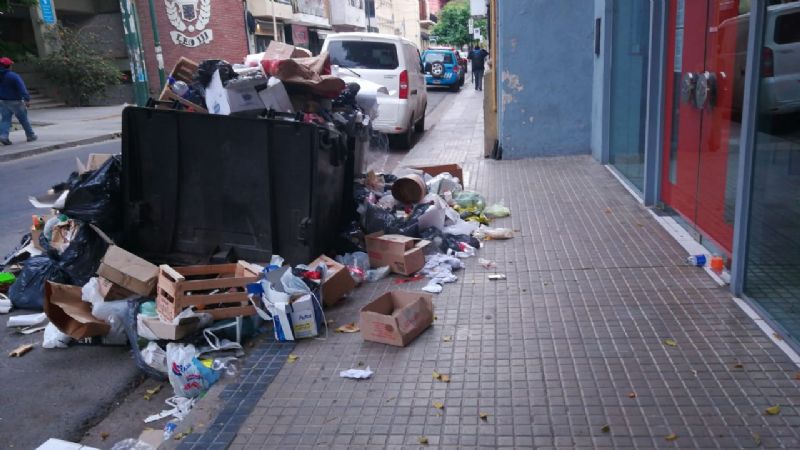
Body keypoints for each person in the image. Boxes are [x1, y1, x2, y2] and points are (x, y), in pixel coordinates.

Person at [0, 57, 37, 145]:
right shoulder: (13, 76)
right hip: (16, 101)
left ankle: (3, 136)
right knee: (24, 119)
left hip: (3, 101)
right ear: (8, 66)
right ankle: (30, 135)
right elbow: (22, 88)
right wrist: (27, 99)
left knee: (5, 120)